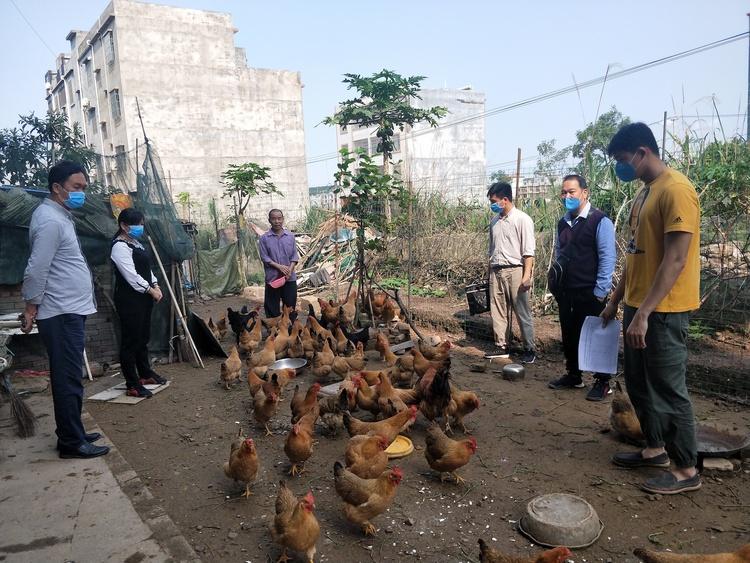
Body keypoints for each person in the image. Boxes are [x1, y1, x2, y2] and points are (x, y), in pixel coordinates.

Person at [602, 122, 701, 495]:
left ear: (643, 153)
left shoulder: (676, 190)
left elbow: (675, 260)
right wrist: (616, 301)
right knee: (639, 384)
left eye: (624, 160)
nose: (621, 168)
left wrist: (645, 313)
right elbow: (634, 254)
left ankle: (686, 469)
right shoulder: (645, 194)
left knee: (668, 388)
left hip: (664, 310)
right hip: (637, 306)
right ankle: (655, 449)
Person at [21, 160, 110, 459]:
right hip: (60, 312)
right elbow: (37, 268)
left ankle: (73, 432)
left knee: (70, 376)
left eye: (84, 188)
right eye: (76, 188)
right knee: (67, 377)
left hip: (68, 309)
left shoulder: (59, 216)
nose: (81, 193)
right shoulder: (49, 220)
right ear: (57, 188)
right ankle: (72, 443)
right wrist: (31, 306)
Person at [548, 174, 616, 401]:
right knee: (570, 334)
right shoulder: (562, 223)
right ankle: (574, 375)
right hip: (567, 291)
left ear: (585, 193)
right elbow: (559, 253)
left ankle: (602, 382)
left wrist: (600, 293)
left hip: (590, 291)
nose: (567, 196)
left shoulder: (600, 221)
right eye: (564, 192)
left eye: (572, 192)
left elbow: (607, 258)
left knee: (596, 337)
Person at [110, 208, 166, 398]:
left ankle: (145, 374)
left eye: (142, 224)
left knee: (143, 337)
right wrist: (150, 290)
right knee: (130, 341)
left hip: (143, 297)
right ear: (124, 226)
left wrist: (155, 284)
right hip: (129, 300)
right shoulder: (119, 247)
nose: (140, 228)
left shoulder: (136, 244)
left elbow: (145, 269)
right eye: (137, 224)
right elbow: (131, 275)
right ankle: (132, 383)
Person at [484, 182, 537, 363]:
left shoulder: (522, 219)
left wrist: (526, 276)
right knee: (497, 311)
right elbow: (491, 250)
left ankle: (529, 348)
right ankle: (501, 346)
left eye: (494, 201)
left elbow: (528, 252)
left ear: (505, 200)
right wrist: (489, 272)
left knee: (522, 311)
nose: (492, 204)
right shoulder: (494, 222)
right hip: (496, 271)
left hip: (516, 270)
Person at [258, 209, 299, 318]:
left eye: (279, 218)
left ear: (283, 219)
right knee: (272, 309)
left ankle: (290, 331)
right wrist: (279, 267)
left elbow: (294, 256)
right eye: (274, 219)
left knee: (290, 307)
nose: (277, 221)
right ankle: (274, 331)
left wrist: (290, 270)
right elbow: (264, 257)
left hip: (289, 278)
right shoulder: (264, 238)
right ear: (269, 220)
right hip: (273, 278)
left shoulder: (290, 236)